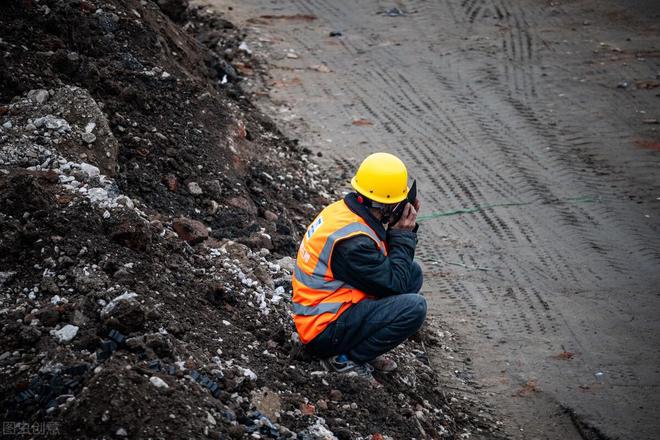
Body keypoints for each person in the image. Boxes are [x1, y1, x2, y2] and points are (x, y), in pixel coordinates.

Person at [291, 152, 426, 386]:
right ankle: (345, 359)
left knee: (412, 274)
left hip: (331, 306)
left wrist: (398, 231)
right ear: (387, 205)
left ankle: (359, 346)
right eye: (399, 201)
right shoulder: (352, 244)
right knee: (414, 307)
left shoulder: (348, 212)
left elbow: (385, 265)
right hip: (322, 329)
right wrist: (402, 235)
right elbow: (394, 282)